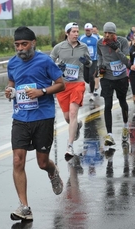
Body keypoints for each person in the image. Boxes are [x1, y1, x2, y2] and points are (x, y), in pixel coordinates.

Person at [4, 27, 65, 221]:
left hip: (43, 117)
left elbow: (61, 84)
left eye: (24, 44)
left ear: (33, 43)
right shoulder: (12, 63)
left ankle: (53, 171)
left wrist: (42, 92)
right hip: (21, 117)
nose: (20, 48)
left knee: (42, 162)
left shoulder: (45, 61)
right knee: (17, 160)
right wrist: (9, 90)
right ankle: (24, 207)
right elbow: (12, 83)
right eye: (17, 45)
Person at [51, 22, 92, 156]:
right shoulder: (59, 48)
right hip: (62, 84)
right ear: (67, 33)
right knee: (68, 117)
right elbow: (49, 64)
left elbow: (90, 62)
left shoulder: (83, 47)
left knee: (73, 113)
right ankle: (77, 125)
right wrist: (58, 66)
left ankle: (69, 146)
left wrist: (87, 62)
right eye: (73, 32)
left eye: (77, 31)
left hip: (78, 83)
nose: (76, 34)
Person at [97, 22, 130, 146]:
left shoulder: (123, 42)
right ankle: (109, 134)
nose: (106, 35)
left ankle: (125, 126)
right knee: (107, 104)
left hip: (121, 77)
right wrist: (100, 66)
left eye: (109, 33)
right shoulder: (99, 43)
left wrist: (117, 49)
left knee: (122, 102)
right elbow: (99, 55)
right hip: (106, 77)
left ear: (114, 33)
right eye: (105, 33)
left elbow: (126, 61)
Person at [78, 23, 100, 100]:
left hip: (94, 60)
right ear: (84, 30)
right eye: (86, 30)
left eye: (89, 30)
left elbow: (100, 47)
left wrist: (99, 58)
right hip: (85, 60)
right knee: (86, 78)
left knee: (91, 76)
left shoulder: (96, 38)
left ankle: (92, 92)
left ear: (92, 30)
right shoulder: (81, 38)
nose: (88, 32)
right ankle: (91, 87)